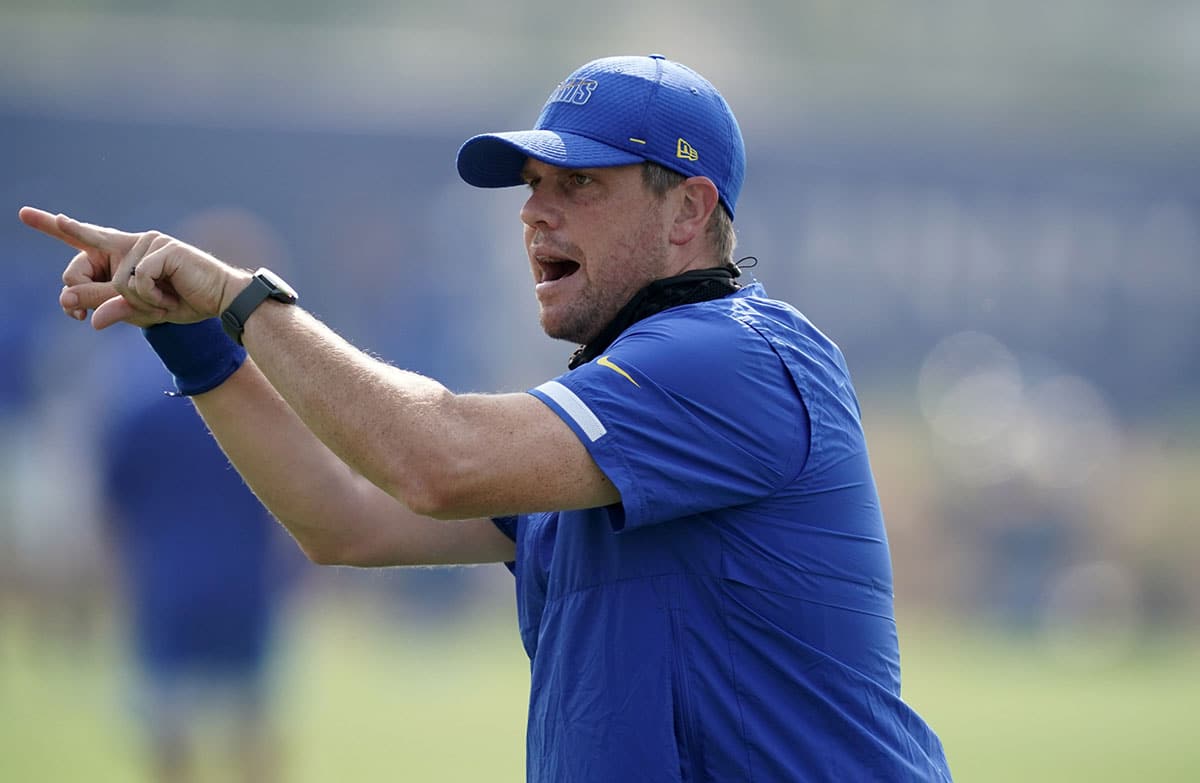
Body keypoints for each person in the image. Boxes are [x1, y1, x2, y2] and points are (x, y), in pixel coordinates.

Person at [21, 54, 953, 782]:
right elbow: (341, 515)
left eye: (579, 184)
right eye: (532, 186)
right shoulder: (607, 417)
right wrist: (199, 341)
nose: (535, 213)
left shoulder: (736, 354)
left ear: (688, 211)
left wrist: (241, 298)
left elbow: (434, 457)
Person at [101, 367, 290, 783]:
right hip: (244, 587)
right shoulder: (255, 411)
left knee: (169, 736)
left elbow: (114, 511)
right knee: (250, 731)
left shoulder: (138, 411)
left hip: (168, 589)